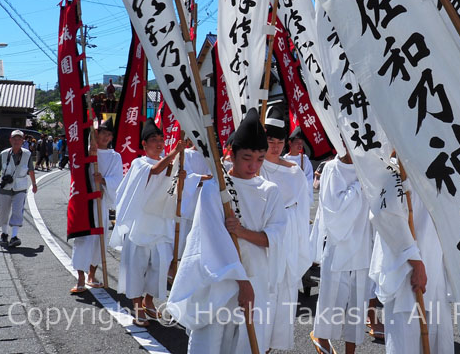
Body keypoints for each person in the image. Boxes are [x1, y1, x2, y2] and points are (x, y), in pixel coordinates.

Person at [167, 107, 286, 353]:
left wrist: (242, 232)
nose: (254, 165)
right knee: (212, 341)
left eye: (260, 158)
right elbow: (211, 240)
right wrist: (242, 282)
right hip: (219, 280)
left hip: (256, 277)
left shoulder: (270, 191)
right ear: (231, 154)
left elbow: (274, 237)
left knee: (245, 342)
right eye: (247, 158)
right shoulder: (216, 189)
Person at [369, 155, 454, 353]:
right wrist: (415, 261)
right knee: (405, 340)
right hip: (406, 275)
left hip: (435, 271)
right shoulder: (394, 173)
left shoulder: (440, 166)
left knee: (437, 341)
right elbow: (384, 216)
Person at [110, 118, 179, 326]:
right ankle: (137, 307)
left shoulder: (171, 163)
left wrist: (192, 177)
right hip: (139, 226)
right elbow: (155, 171)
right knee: (137, 267)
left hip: (160, 224)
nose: (159, 143)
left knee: (160, 267)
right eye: (154, 140)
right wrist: (175, 152)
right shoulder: (139, 163)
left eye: (161, 139)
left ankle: (149, 301)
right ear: (144, 144)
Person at [311, 148, 373, 354]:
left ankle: (350, 350)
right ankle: (323, 340)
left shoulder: (368, 168)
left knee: (357, 302)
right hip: (337, 246)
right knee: (330, 298)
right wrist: (359, 186)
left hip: (362, 244)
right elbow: (334, 211)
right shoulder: (331, 169)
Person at [260, 107, 311, 350]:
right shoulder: (254, 167)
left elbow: (303, 211)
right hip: (260, 236)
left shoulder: (295, 171)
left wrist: (301, 242)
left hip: (287, 237)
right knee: (261, 292)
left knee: (281, 294)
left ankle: (269, 347)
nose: (276, 146)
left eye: (280, 141)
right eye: (271, 140)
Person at [70, 118, 123, 293]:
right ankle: (80, 277)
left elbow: (118, 179)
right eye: (103, 133)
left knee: (98, 241)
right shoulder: (87, 153)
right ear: (96, 134)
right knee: (83, 239)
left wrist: (104, 182)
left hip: (100, 203)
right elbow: (76, 172)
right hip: (84, 202)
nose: (106, 137)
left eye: (109, 135)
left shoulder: (115, 156)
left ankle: (92, 275)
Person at [0, 129, 37, 248]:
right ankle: (4, 234)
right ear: (10, 140)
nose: (17, 141)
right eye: (14, 138)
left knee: (17, 211)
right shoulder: (4, 154)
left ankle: (14, 236)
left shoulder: (27, 154)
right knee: (4, 211)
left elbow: (31, 170)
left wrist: (34, 184)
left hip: (20, 187)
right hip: (5, 188)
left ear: (23, 141)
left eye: (19, 139)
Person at [282, 126, 314, 204]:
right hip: (287, 199)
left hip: (301, 198)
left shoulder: (305, 160)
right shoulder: (283, 160)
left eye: (301, 143)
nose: (300, 145)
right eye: (297, 142)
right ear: (290, 142)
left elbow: (309, 179)